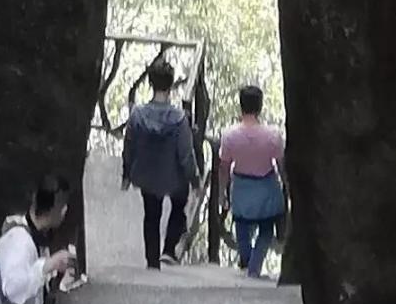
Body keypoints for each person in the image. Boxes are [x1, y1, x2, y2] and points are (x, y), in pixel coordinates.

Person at [121, 54, 200, 271]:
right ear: (172, 85)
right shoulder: (180, 119)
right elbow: (186, 154)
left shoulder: (137, 115)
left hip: (147, 174)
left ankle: (152, 262)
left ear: (150, 82)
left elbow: (129, 147)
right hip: (174, 176)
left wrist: (127, 174)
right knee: (178, 208)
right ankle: (168, 250)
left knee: (151, 215)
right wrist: (194, 178)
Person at [212, 81, 287, 276]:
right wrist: (287, 185)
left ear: (241, 104)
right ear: (260, 106)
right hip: (266, 185)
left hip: (241, 186)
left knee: (242, 226)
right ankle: (254, 266)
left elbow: (224, 166)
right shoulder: (273, 136)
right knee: (266, 228)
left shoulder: (229, 136)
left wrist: (222, 192)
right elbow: (280, 164)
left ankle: (246, 262)